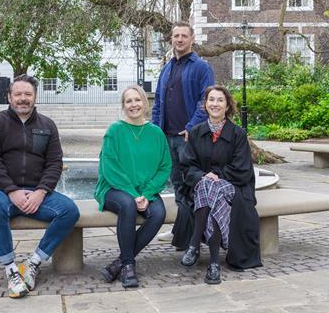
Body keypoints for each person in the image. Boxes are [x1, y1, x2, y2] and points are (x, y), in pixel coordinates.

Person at [0, 74, 80, 298]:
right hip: (2, 190)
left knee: (69, 211)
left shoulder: (47, 125)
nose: (23, 99)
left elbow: (55, 162)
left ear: (35, 97)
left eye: (28, 94)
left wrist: (41, 191)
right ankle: (11, 269)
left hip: (38, 191)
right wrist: (12, 190)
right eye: (18, 94)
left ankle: (34, 262)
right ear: (9, 97)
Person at [176, 85, 262, 284]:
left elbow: (242, 169)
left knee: (211, 186)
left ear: (227, 105)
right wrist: (204, 177)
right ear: (205, 105)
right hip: (203, 187)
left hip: (234, 187)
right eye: (211, 100)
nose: (215, 104)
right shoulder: (196, 132)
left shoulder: (238, 134)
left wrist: (216, 175)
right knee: (210, 190)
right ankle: (214, 264)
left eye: (220, 100)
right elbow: (187, 166)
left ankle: (194, 244)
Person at [94, 85, 171, 288]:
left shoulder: (156, 133)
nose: (133, 105)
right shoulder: (115, 131)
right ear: (123, 105)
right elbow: (110, 168)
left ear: (145, 103)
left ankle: (118, 262)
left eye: (137, 100)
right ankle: (128, 265)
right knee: (127, 205)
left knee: (158, 213)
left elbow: (165, 167)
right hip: (113, 188)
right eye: (129, 101)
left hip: (145, 191)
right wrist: (133, 194)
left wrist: (146, 193)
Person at [151, 21, 215, 244]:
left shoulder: (202, 67)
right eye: (175, 36)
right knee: (178, 185)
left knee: (191, 186)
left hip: (188, 139)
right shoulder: (167, 68)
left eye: (183, 36)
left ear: (192, 38)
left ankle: (194, 233)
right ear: (171, 39)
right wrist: (154, 131)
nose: (179, 39)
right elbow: (158, 102)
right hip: (166, 137)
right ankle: (181, 230)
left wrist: (191, 128)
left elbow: (205, 101)